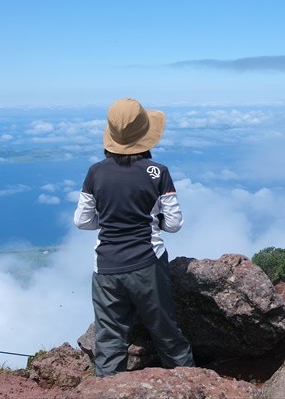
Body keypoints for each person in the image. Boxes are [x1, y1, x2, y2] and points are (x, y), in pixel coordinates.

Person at [74, 97, 194, 377]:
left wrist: (110, 221)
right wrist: (153, 222)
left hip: (105, 267)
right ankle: (188, 383)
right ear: (145, 135)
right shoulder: (157, 173)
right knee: (166, 332)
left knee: (109, 340)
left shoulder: (95, 173)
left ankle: (106, 391)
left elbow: (82, 221)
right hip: (147, 265)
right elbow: (174, 224)